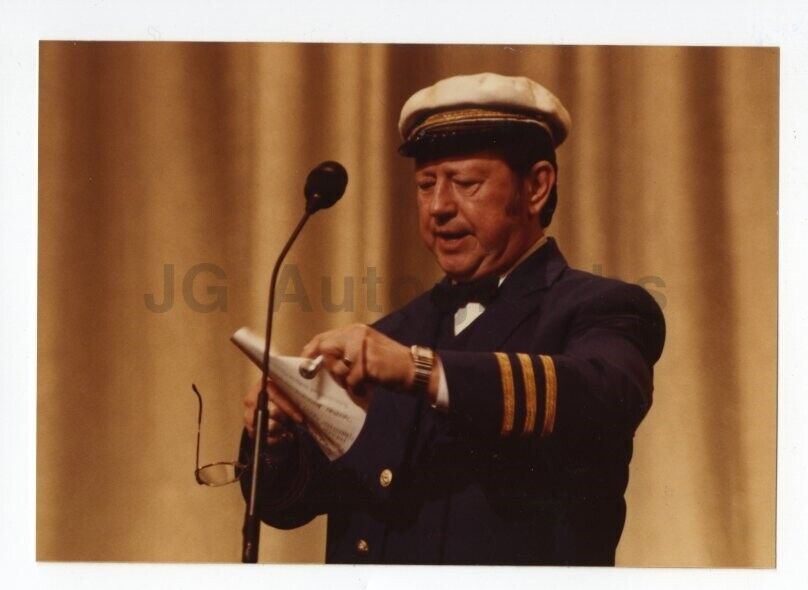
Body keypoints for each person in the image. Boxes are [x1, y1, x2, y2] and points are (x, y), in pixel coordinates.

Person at [239, 72, 666, 565]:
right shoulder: (392, 334)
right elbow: (294, 505)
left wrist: (422, 370)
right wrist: (275, 437)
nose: (439, 206)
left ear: (536, 187)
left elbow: (605, 398)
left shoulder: (602, 308)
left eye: (466, 183)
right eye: (425, 185)